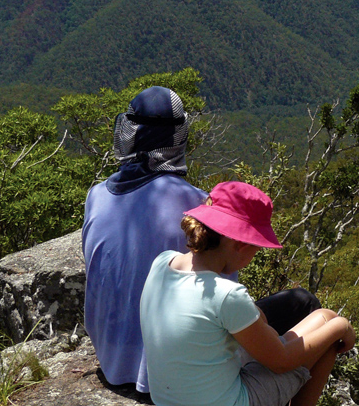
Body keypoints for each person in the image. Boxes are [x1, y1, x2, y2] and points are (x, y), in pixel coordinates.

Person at [83, 86, 322, 395]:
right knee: (304, 304)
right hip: (162, 369)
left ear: (127, 132)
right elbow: (222, 299)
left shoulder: (97, 195)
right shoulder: (198, 208)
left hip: (111, 360)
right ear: (179, 138)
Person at [140, 182, 355, 406]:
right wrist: (342, 327)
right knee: (328, 335)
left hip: (168, 399)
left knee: (324, 317)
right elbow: (281, 362)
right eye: (256, 247)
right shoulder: (227, 295)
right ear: (240, 244)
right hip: (232, 402)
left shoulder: (163, 261)